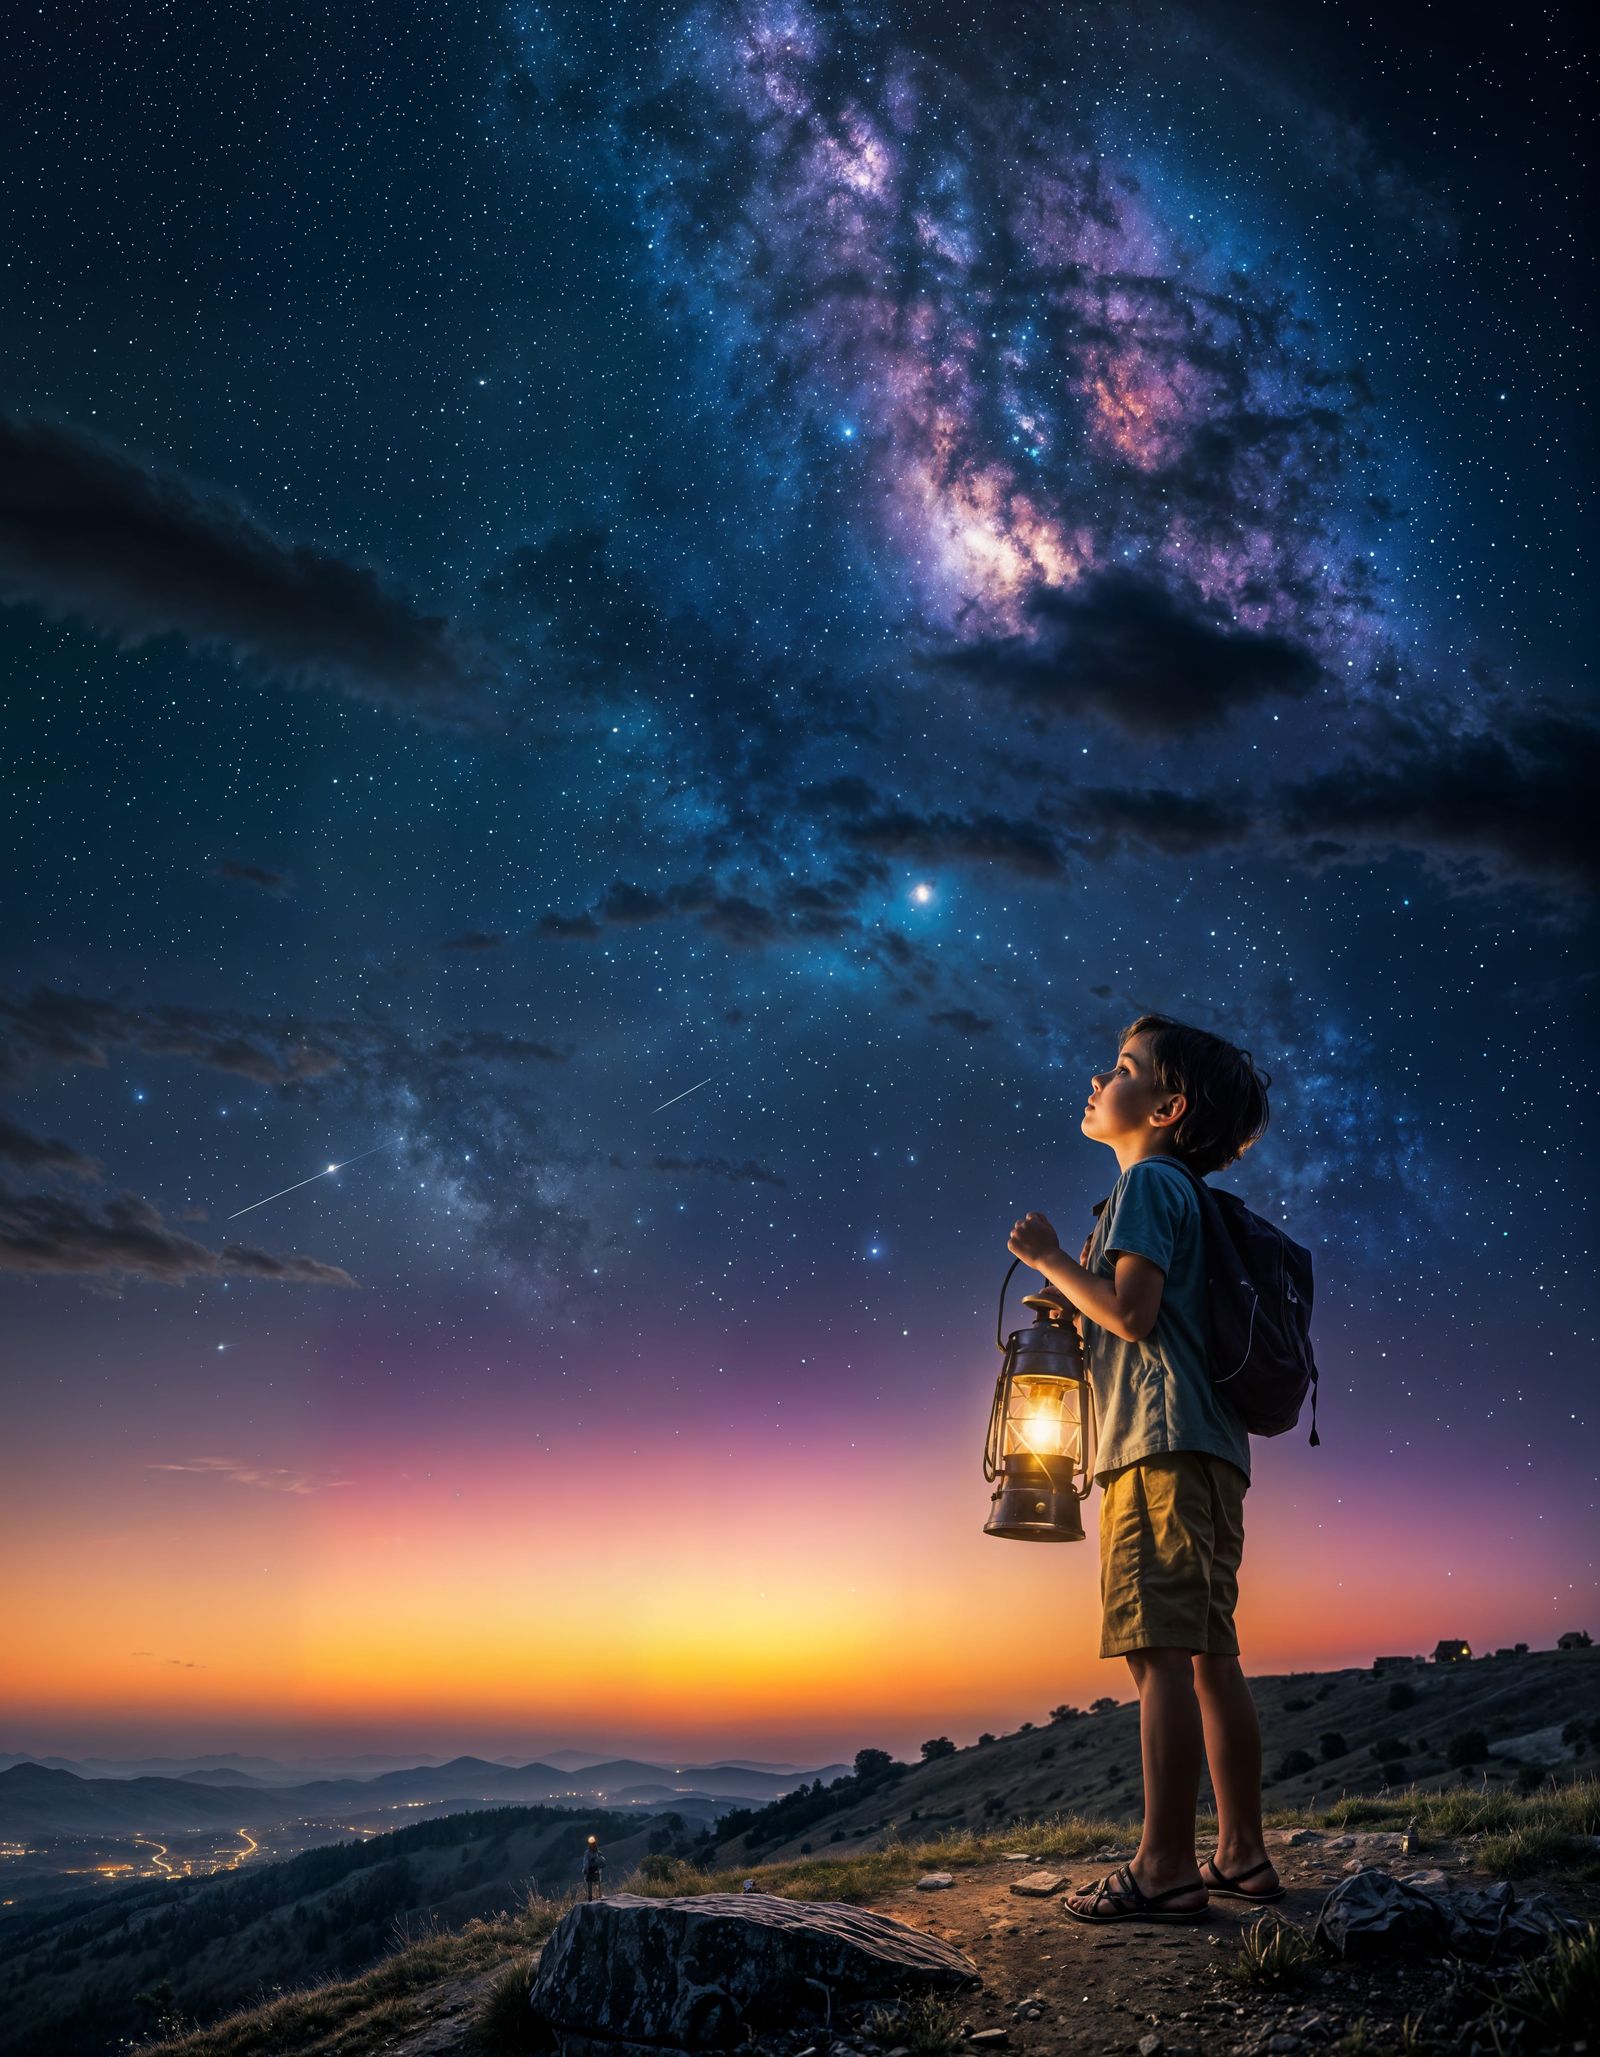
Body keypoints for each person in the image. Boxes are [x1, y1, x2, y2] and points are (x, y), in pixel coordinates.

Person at [1006, 1013, 1285, 1924]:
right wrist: (1076, 1299)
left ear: (1166, 1106)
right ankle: (1240, 1851)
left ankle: (1163, 1864)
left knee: (1157, 1656)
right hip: (1210, 1451)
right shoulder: (1183, 1198)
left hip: (1156, 1451)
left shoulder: (1143, 1186)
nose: (1099, 1076)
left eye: (1122, 1067)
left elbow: (1131, 1315)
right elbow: (1150, 1321)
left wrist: (1051, 1256)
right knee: (1213, 1654)